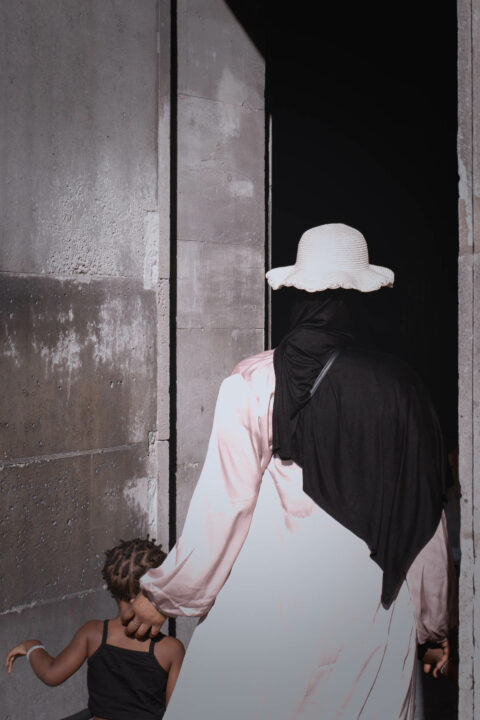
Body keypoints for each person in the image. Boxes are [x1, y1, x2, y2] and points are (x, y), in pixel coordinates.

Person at [125, 224, 454, 719]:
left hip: (268, 609)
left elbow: (224, 509)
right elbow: (424, 525)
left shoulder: (254, 381)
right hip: (369, 617)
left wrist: (166, 595)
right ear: (366, 298)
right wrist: (433, 626)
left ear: (297, 294)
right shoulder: (405, 390)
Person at [5, 537, 185, 720]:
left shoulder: (92, 633)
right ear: (159, 589)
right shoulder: (171, 649)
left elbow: (51, 674)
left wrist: (32, 646)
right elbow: (177, 713)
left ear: (112, 588)